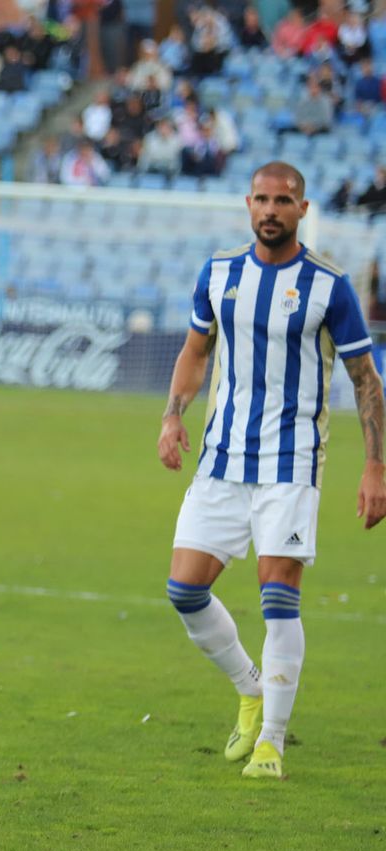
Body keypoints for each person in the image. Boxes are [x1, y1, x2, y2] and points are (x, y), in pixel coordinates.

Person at [157, 161, 384, 782]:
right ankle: (250, 690)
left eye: (284, 200)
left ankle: (272, 745)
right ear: (248, 203)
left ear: (302, 209)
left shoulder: (328, 286)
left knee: (277, 601)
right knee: (184, 590)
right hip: (221, 459)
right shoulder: (220, 272)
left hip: (290, 466)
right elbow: (195, 351)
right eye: (262, 199)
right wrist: (173, 415)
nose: (271, 210)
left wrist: (375, 466)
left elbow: (366, 380)